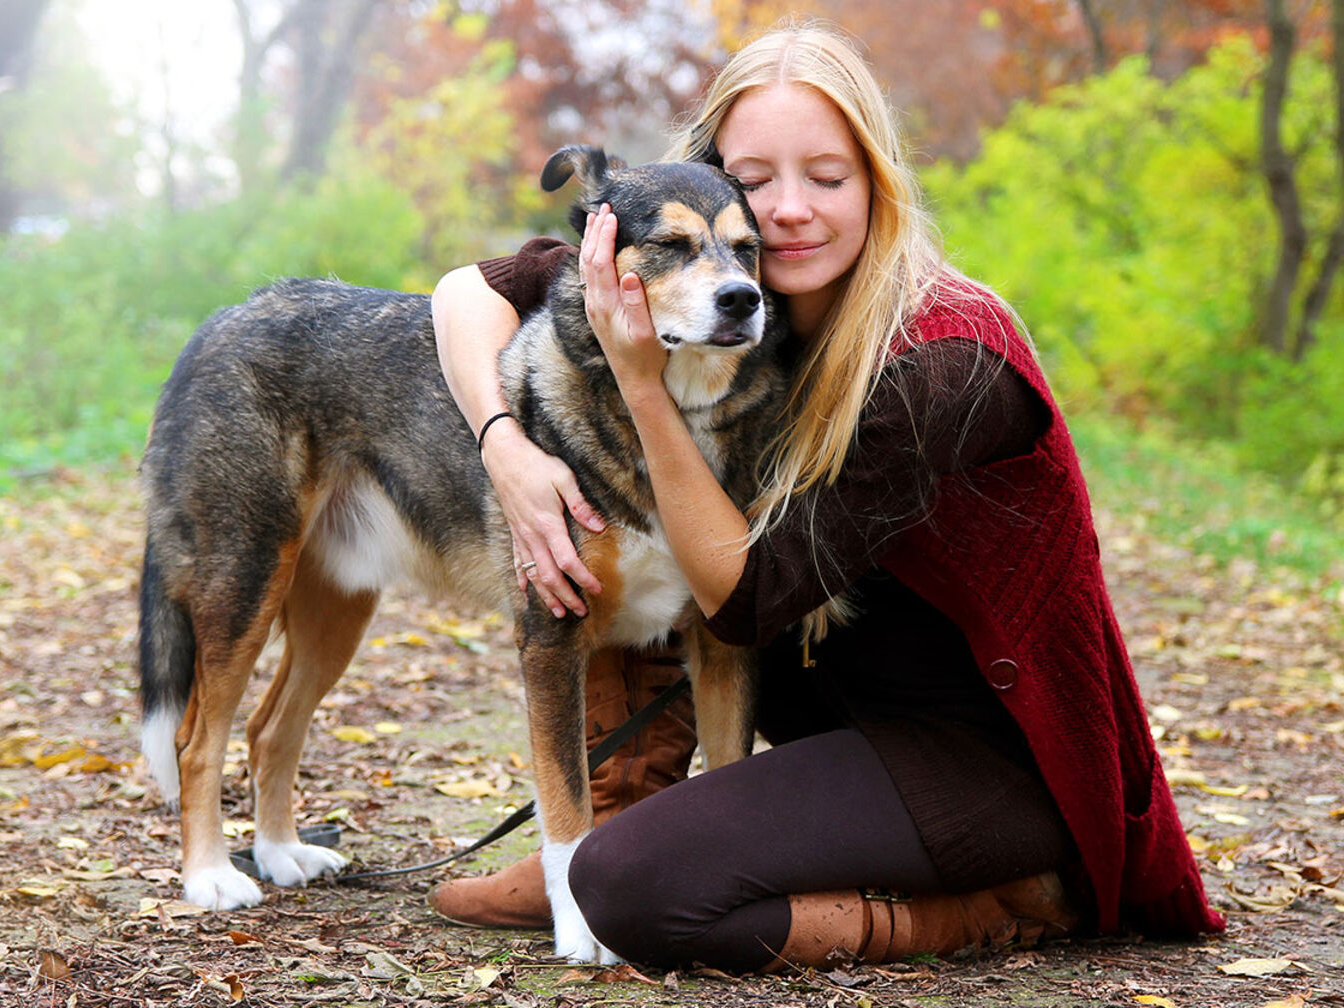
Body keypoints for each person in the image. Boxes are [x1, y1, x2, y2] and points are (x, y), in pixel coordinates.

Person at [427, 19, 1222, 970]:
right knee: (600, 519)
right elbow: (470, 291)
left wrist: (641, 386)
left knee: (638, 894)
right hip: (841, 734)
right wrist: (505, 446)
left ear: (879, 185)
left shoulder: (945, 363)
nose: (789, 212)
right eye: (754, 181)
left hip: (996, 763)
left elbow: (743, 603)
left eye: (829, 178)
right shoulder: (718, 288)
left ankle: (989, 910)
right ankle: (622, 821)